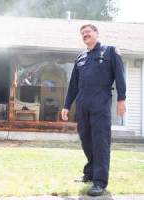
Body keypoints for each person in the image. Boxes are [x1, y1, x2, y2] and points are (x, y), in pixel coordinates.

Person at [61, 24, 126, 196]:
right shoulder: (80, 57)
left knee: (100, 143)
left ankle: (99, 182)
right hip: (82, 105)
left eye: (88, 32)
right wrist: (67, 105)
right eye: (82, 33)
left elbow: (120, 76)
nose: (85, 35)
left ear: (97, 34)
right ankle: (89, 173)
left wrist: (122, 99)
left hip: (101, 103)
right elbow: (73, 84)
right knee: (86, 140)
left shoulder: (110, 51)